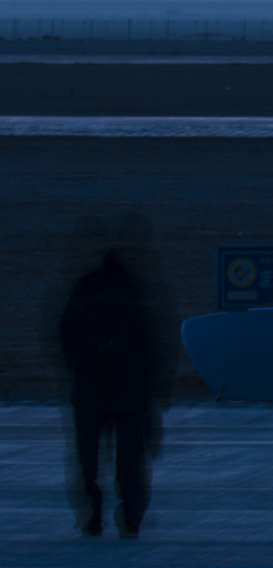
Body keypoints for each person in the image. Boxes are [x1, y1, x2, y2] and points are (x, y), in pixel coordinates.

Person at [57, 220, 174, 539]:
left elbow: (65, 336)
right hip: (129, 395)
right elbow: (154, 346)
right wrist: (157, 390)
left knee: (89, 465)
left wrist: (78, 369)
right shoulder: (136, 294)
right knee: (130, 466)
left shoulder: (85, 289)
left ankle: (93, 519)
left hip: (92, 392)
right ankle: (129, 521)